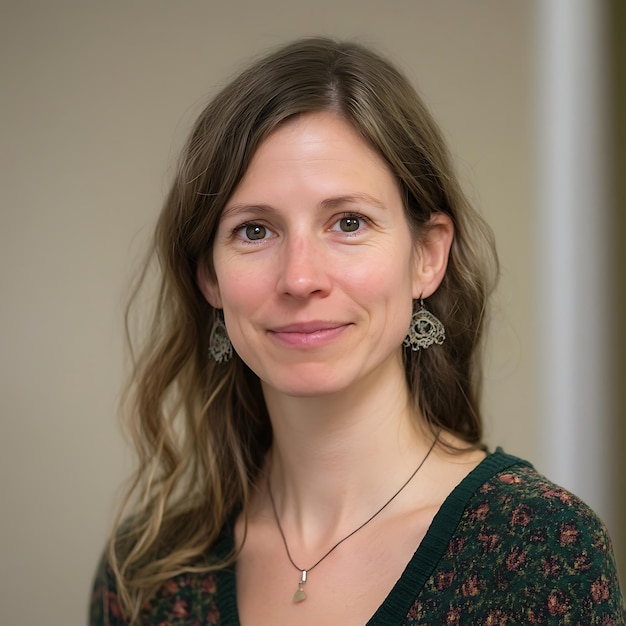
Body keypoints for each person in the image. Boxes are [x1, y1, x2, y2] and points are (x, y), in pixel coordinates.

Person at [90, 37, 624, 625]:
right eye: (254, 231)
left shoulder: (539, 551)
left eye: (348, 222)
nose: (299, 278)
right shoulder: (148, 573)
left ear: (426, 256)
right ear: (210, 279)